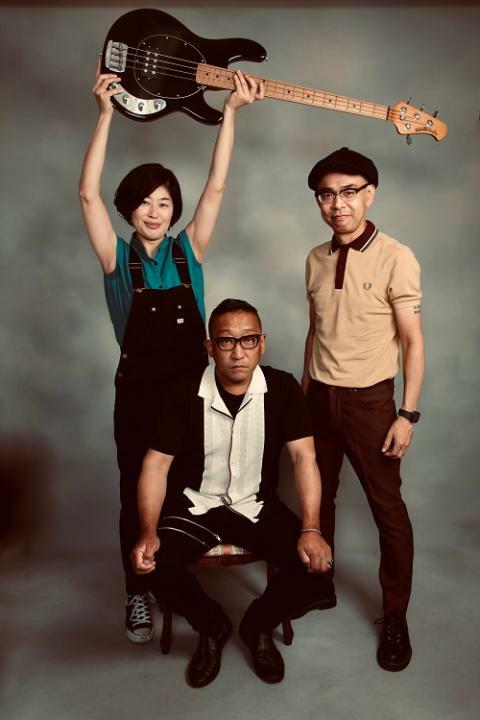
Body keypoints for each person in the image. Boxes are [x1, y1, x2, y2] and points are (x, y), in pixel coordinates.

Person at [78, 63, 264, 644]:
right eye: (144, 202)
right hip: (138, 395)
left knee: (189, 490)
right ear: (128, 210)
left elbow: (216, 187)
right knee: (135, 496)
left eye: (164, 202)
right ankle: (137, 592)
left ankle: (175, 583)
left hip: (193, 395)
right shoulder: (116, 259)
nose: (155, 211)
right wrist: (105, 115)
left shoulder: (190, 250)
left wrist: (230, 115)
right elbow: (86, 194)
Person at [131, 299, 333, 687]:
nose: (238, 352)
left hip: (255, 505)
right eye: (226, 341)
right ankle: (212, 626)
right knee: (152, 564)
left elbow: (304, 458)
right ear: (210, 347)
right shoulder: (182, 392)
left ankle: (257, 626)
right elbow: (155, 465)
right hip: (197, 505)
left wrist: (311, 528)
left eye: (248, 340)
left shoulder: (283, 388)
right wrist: (148, 530)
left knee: (315, 570)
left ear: (262, 343)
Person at [302, 147, 424, 672]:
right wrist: (303, 396)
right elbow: (315, 331)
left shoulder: (396, 256)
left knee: (387, 510)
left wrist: (407, 414)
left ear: (369, 194)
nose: (338, 204)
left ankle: (394, 615)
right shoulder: (315, 258)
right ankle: (319, 584)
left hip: (370, 402)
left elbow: (413, 341)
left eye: (349, 192)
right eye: (327, 195)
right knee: (317, 498)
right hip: (318, 399)